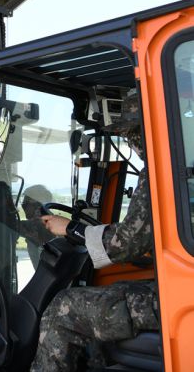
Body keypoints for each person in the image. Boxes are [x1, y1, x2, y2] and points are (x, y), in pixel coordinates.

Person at [30, 93, 158, 372]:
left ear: (149, 130)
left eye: (133, 134)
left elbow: (127, 242)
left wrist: (70, 228)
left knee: (64, 307)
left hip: (170, 302)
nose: (133, 144)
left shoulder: (163, 170)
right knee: (110, 293)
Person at [17, 184, 55, 268]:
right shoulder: (52, 221)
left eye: (25, 203)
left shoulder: (40, 224)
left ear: (37, 205)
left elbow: (14, 225)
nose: (23, 206)